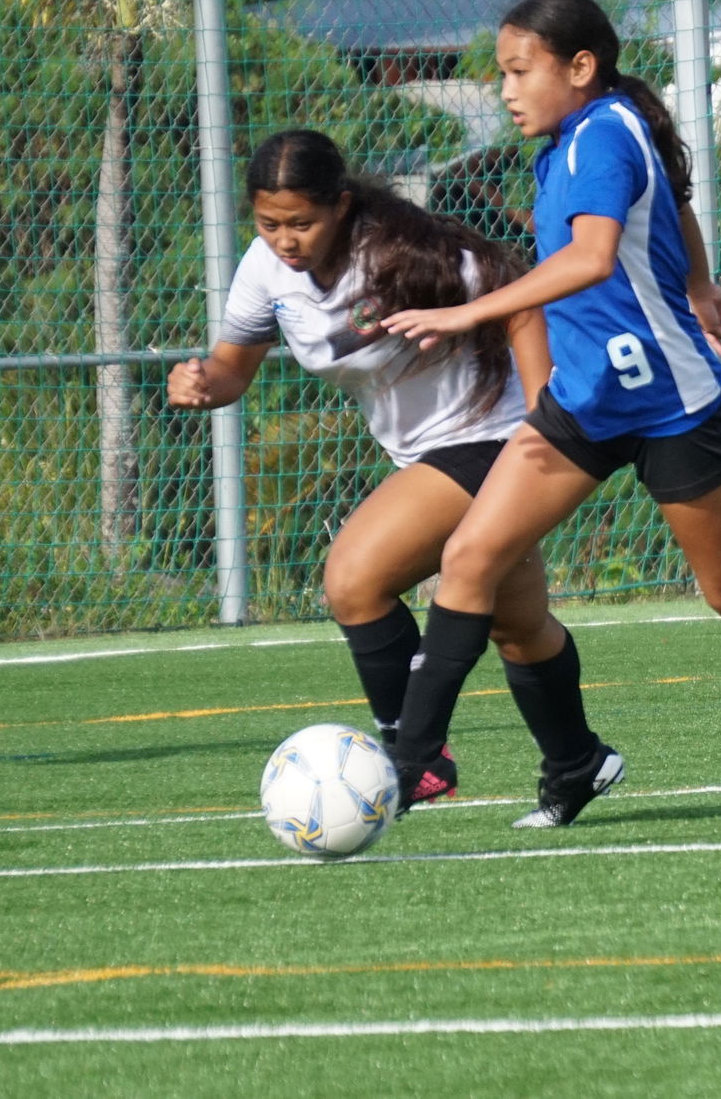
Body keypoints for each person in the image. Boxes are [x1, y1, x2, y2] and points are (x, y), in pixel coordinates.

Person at [382, 0, 721, 826]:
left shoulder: (606, 133)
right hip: (585, 400)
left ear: (580, 68)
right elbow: (673, 202)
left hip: (668, 400)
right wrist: (694, 277)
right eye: (500, 74)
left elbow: (591, 257)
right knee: (471, 556)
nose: (505, 91)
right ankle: (409, 767)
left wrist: (467, 312)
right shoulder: (574, 138)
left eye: (520, 71)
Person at [166, 128, 611, 813]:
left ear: (341, 207)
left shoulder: (399, 253)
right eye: (269, 223)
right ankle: (578, 760)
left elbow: (517, 290)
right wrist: (202, 383)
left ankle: (418, 756)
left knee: (355, 578)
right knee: (519, 625)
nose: (286, 239)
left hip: (492, 440)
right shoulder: (264, 270)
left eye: (302, 223)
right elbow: (233, 369)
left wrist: (539, 414)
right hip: (427, 452)